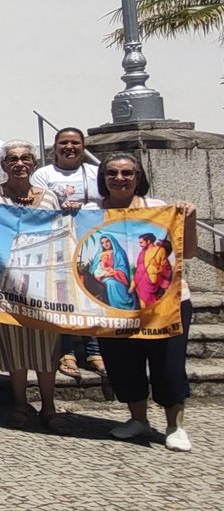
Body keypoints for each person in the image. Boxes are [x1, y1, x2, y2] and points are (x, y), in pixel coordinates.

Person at [94, 153, 199, 451]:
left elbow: (188, 252)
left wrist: (189, 219)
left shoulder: (159, 208)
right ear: (103, 178)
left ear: (138, 177)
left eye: (127, 173)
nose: (120, 178)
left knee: (168, 364)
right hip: (117, 302)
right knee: (122, 362)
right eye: (112, 173)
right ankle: (138, 419)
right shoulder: (91, 212)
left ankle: (175, 426)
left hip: (165, 302)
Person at [0, 140, 66, 434]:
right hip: (6, 284)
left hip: (43, 283)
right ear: (3, 165)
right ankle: (19, 403)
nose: (19, 164)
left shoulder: (50, 198)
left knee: (46, 347)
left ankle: (49, 406)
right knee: (14, 347)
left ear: (34, 163)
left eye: (25, 158)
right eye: (12, 159)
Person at [30, 127, 102, 210]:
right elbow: (39, 207)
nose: (69, 147)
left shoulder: (97, 173)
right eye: (63, 143)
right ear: (55, 147)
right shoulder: (42, 175)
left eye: (75, 143)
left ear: (83, 148)